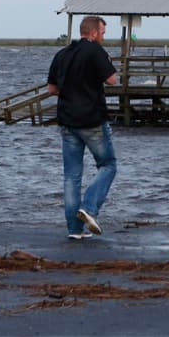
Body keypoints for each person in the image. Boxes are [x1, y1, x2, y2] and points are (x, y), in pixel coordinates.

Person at [47, 16, 118, 240]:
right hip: (92, 119)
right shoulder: (95, 51)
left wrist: (71, 90)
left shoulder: (62, 54)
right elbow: (112, 80)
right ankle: (89, 207)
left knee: (71, 176)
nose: (104, 37)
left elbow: (51, 89)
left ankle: (74, 230)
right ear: (94, 33)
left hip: (67, 120)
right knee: (108, 165)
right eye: (103, 33)